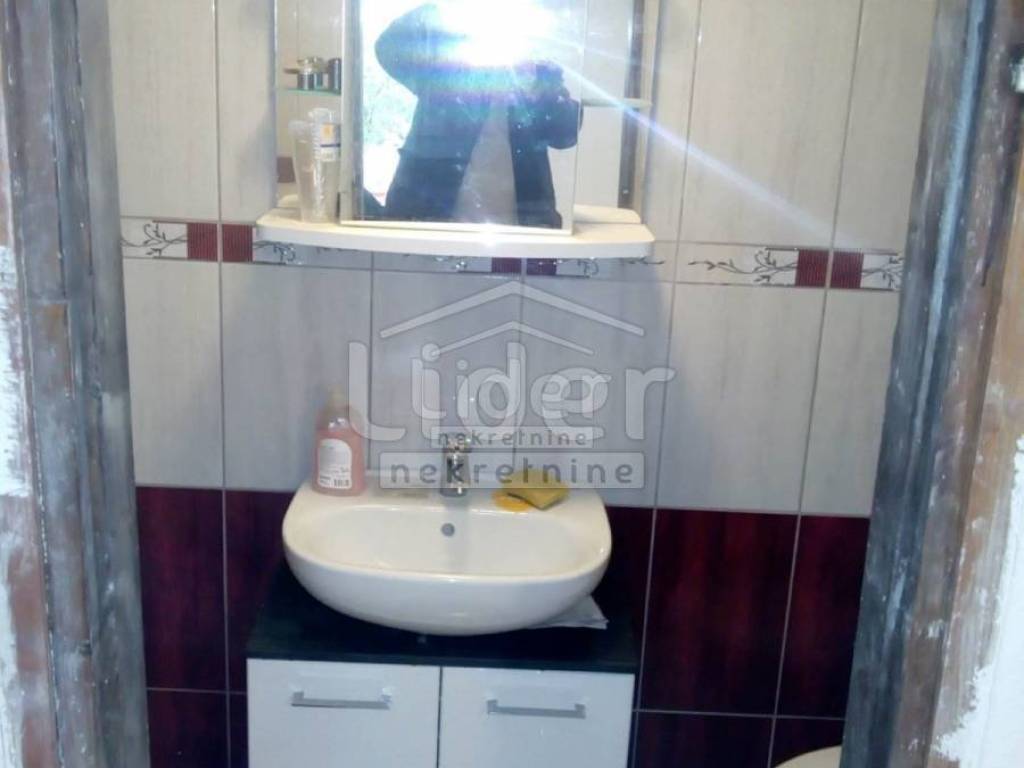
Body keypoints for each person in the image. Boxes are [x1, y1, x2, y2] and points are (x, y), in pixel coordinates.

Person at [375, 3, 580, 228]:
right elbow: (390, 47)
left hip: (520, 229)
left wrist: (537, 90)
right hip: (427, 220)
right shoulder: (445, 67)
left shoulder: (535, 73)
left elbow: (566, 134)